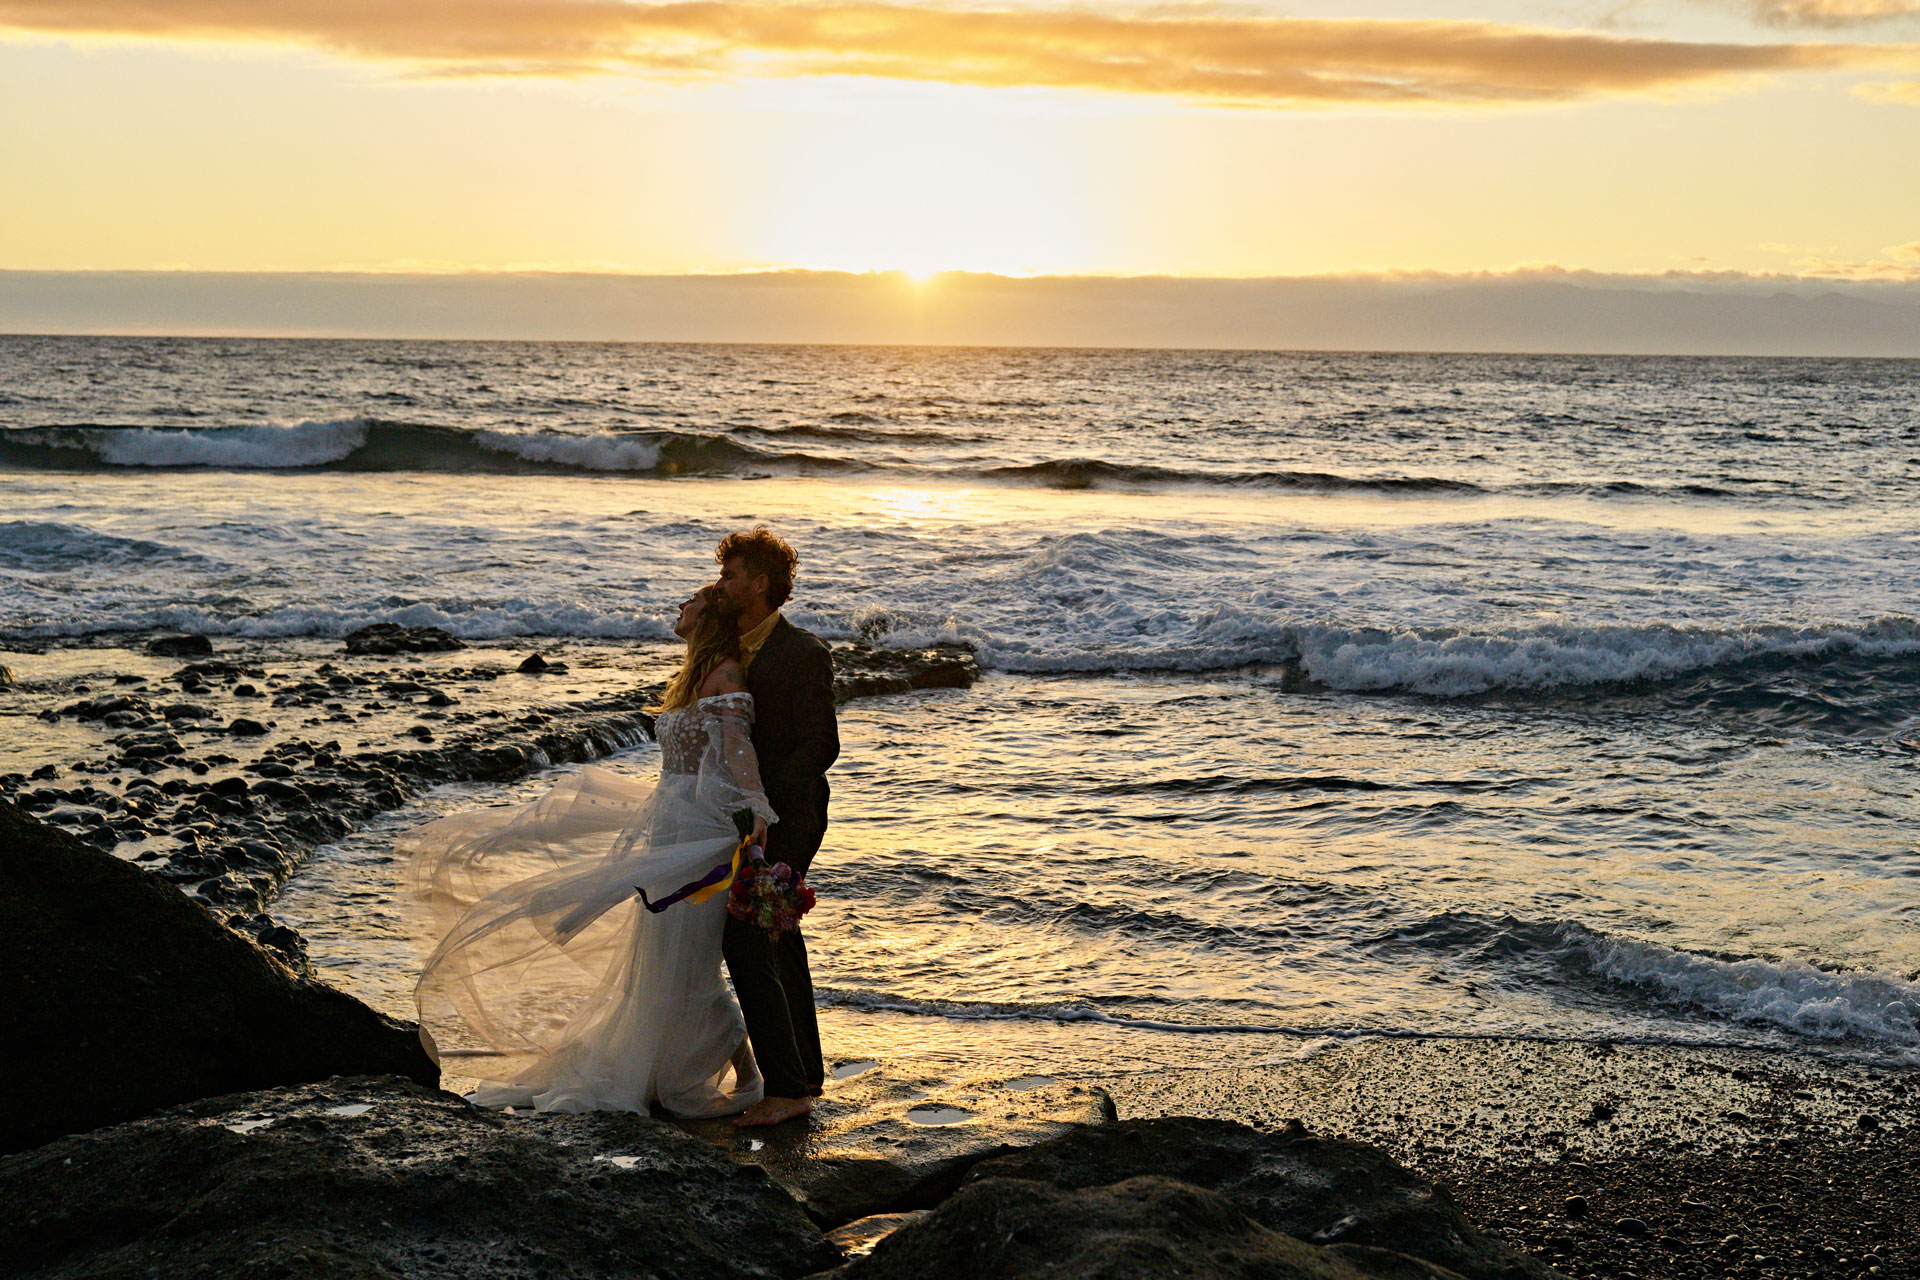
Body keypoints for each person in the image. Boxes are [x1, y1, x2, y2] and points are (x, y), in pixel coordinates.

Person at [404, 584, 775, 1118]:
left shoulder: (728, 675)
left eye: (690, 601)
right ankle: (699, 1069)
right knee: (663, 960)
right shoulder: (696, 674)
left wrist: (756, 808)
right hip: (668, 825)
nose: (680, 607)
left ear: (710, 615)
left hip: (699, 836)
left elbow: (738, 752)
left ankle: (751, 1074)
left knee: (691, 962)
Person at [710, 526, 839, 1128]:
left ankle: (786, 1089)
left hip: (789, 816)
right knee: (779, 938)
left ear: (760, 583)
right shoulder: (724, 650)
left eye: (730, 576)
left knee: (748, 936)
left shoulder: (803, 653)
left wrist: (765, 807)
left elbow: (821, 745)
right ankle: (802, 1074)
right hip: (740, 816)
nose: (721, 584)